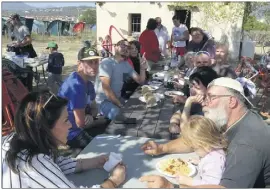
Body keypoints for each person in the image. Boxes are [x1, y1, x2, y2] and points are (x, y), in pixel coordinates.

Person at [140, 77, 270, 188]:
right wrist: (162, 148)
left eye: (211, 97)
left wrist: (171, 187)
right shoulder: (229, 119)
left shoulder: (248, 143)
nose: (204, 103)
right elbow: (199, 140)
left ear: (231, 101)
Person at [2, 90, 126, 188]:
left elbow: (56, 162)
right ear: (45, 128)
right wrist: (113, 181)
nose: (71, 125)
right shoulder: (34, 163)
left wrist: (93, 162)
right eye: (66, 120)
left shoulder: (23, 139)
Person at [58, 48, 105, 149]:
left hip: (80, 126)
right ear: (79, 63)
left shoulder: (88, 84)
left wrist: (90, 115)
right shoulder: (76, 85)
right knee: (101, 147)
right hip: (69, 133)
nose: (94, 66)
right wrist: (96, 120)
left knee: (108, 126)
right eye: (89, 62)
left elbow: (94, 108)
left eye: (96, 62)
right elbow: (81, 124)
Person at [95, 39, 147, 120]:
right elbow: (106, 87)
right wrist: (119, 105)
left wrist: (142, 68)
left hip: (117, 99)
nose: (126, 48)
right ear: (115, 47)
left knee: (140, 110)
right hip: (103, 101)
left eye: (128, 47)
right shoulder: (107, 63)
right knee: (122, 117)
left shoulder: (126, 64)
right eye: (122, 45)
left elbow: (141, 81)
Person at [177, 115, 227, 186]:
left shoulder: (213, 162)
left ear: (206, 146)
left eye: (195, 148)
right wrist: (200, 162)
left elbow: (211, 185)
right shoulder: (214, 152)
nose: (195, 151)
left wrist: (189, 181)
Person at [170, 66, 219, 134]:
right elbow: (178, 113)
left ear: (210, 88)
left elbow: (184, 129)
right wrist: (173, 123)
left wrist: (188, 102)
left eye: (197, 88)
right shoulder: (199, 102)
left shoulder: (211, 109)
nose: (192, 90)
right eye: (191, 86)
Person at [8, 13, 37, 91]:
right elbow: (17, 38)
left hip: (28, 51)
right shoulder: (16, 28)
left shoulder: (24, 28)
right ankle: (23, 87)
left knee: (28, 71)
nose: (10, 22)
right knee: (21, 71)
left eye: (11, 20)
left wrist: (20, 44)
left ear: (16, 19)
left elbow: (29, 40)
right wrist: (15, 43)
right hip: (21, 52)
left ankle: (29, 89)